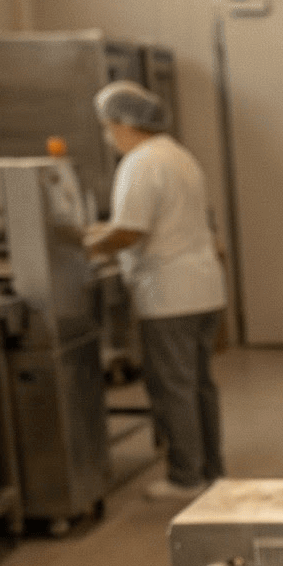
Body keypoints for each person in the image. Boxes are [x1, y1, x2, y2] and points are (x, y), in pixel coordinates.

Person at [84, 81, 227, 504]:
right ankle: (210, 468)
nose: (109, 136)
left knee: (174, 388)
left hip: (169, 295)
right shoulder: (178, 155)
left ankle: (186, 477)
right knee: (199, 386)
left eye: (110, 127)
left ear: (126, 124)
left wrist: (83, 244)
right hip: (202, 288)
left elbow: (130, 230)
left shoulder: (141, 163)